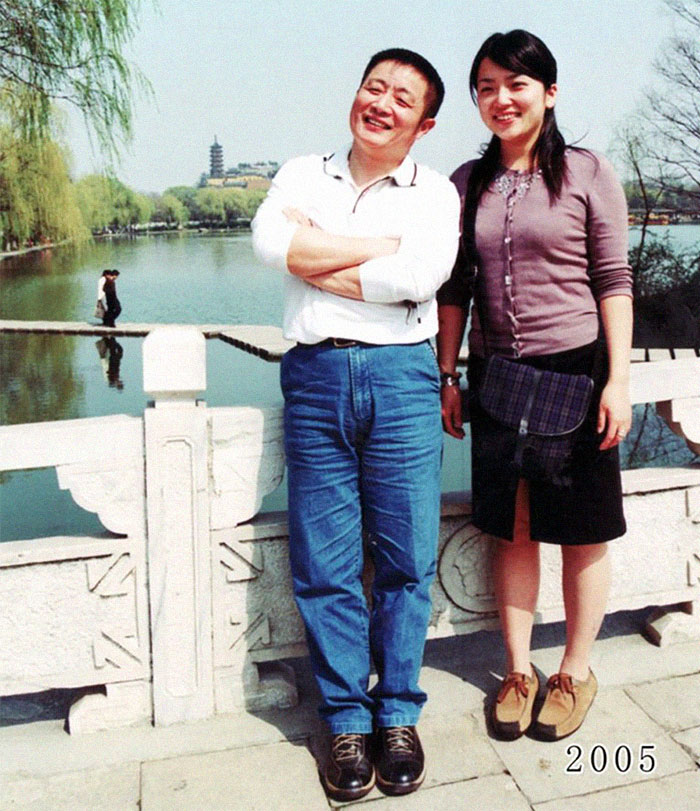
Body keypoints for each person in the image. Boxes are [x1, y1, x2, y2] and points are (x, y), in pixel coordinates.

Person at [252, 48, 460, 800]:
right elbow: (270, 244)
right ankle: (345, 718)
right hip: (314, 377)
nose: (382, 103)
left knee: (406, 556)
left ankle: (398, 711)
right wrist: (378, 249)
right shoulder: (303, 173)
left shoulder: (436, 193)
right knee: (326, 560)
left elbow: (419, 279)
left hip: (403, 379)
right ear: (356, 93)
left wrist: (317, 256)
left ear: (424, 122)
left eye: (402, 98)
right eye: (374, 86)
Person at [436, 30, 633, 742]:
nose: (501, 99)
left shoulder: (586, 171)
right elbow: (455, 285)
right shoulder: (465, 182)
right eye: (486, 86)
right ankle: (518, 669)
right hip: (495, 376)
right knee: (511, 528)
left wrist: (618, 377)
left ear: (549, 93)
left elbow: (613, 279)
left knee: (581, 528)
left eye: (516, 84)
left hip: (575, 370)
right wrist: (449, 372)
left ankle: (577, 669)